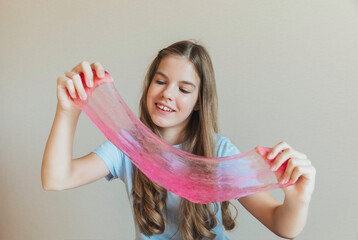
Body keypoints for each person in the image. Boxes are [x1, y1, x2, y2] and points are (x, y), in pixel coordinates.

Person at [41, 40, 316, 240]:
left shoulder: (219, 152)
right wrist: (68, 110)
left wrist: (298, 199)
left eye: (184, 89)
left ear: (198, 102)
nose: (168, 94)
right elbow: (56, 179)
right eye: (160, 82)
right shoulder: (128, 147)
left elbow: (283, 226)